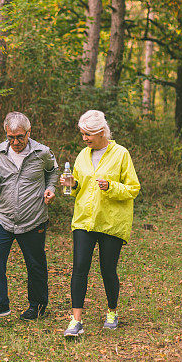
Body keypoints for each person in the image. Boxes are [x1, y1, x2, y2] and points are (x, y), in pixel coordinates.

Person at [60, 110, 140, 337]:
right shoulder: (82, 156)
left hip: (111, 223)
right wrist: (71, 183)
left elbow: (133, 188)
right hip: (84, 221)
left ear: (101, 132)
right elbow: (77, 190)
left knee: (108, 269)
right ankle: (76, 321)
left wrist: (111, 186)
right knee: (79, 268)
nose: (84, 138)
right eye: (82, 134)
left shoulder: (121, 154)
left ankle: (112, 312)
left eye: (88, 134)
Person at [0, 111, 60, 321]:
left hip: (33, 219)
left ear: (29, 132)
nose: (15, 142)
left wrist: (50, 188)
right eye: (10, 137)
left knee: (35, 263)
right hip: (4, 217)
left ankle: (38, 306)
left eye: (20, 137)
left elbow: (53, 171)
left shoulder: (42, 152)